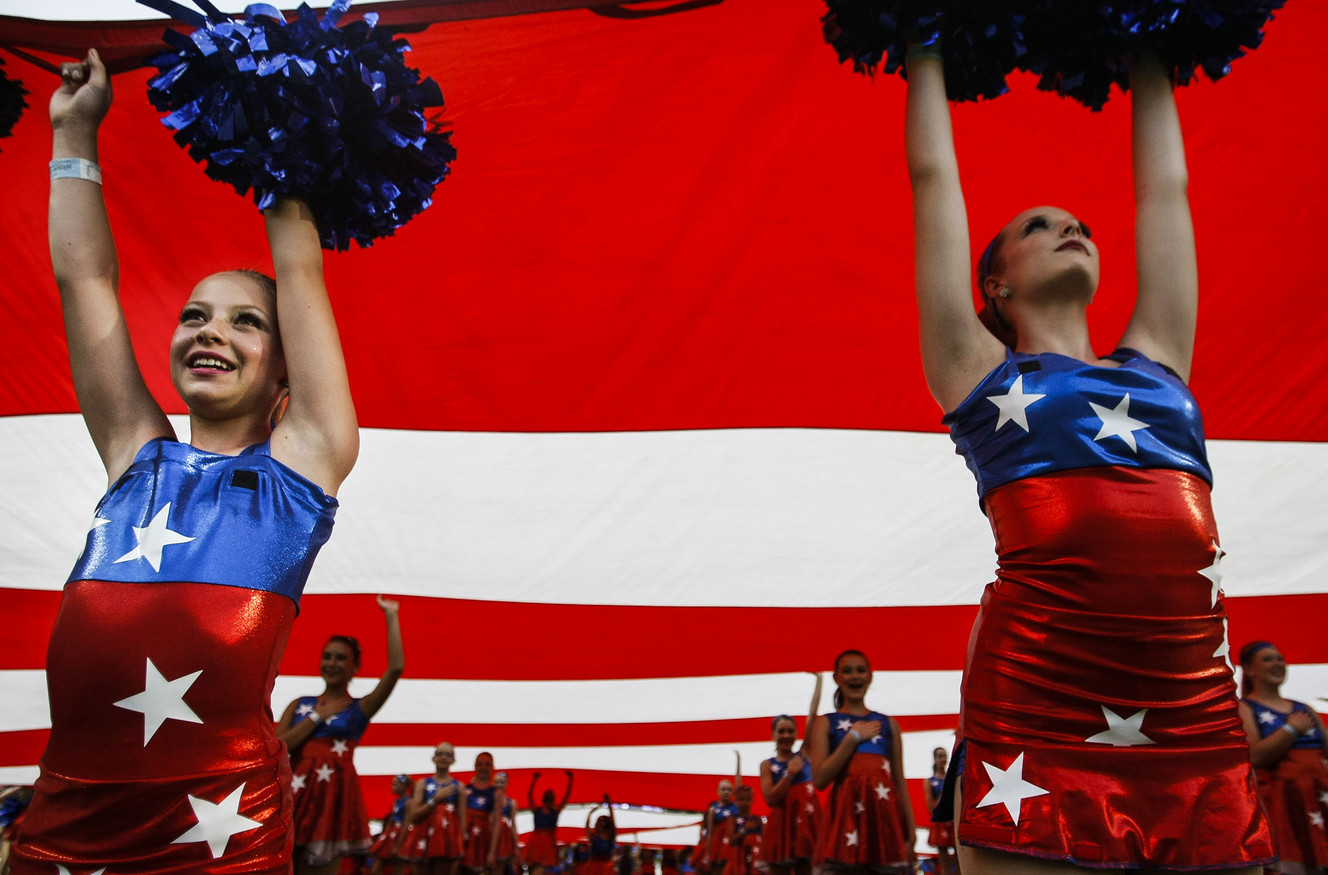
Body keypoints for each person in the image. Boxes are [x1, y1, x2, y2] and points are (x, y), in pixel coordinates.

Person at [903, 34, 1274, 873]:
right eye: (1039, 227)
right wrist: (920, 42)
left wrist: (1158, 42)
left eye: (1079, 224)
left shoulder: (1160, 359)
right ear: (993, 284)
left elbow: (1166, 192)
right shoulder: (973, 367)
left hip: (1192, 705)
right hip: (1040, 698)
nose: (1070, 227)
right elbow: (934, 182)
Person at [12, 48, 359, 874]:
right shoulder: (138, 455)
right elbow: (85, 283)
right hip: (65, 823)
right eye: (195, 315)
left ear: (286, 368)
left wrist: (276, 113)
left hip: (217, 836)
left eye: (247, 322)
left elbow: (298, 264)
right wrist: (74, 136)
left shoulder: (304, 465)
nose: (210, 330)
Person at [278, 596, 406, 873]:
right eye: (327, 656)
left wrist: (391, 616)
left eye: (340, 658)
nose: (332, 663)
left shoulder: (359, 708)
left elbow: (395, 669)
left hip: (333, 802)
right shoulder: (300, 703)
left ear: (354, 667)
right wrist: (317, 717)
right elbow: (280, 745)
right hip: (295, 795)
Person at [809, 650, 914, 874]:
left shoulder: (888, 724)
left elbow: (899, 781)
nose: (854, 676)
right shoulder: (825, 723)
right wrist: (852, 740)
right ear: (836, 678)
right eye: (847, 671)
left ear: (870, 676)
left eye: (860, 670)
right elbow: (819, 779)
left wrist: (911, 831)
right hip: (844, 825)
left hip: (884, 824)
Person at [1238, 641, 1328, 874]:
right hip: (1281, 804)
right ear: (1249, 669)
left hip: (1320, 799)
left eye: (1280, 659)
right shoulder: (1245, 708)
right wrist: (1291, 730)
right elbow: (1254, 757)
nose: (1278, 664)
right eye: (1268, 659)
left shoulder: (1304, 709)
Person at [759, 673, 823, 875]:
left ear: (796, 734)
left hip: (807, 825)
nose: (786, 735)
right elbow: (770, 799)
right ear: (773, 735)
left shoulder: (804, 754)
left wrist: (819, 680)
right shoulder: (767, 765)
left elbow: (813, 717)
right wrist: (789, 774)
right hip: (781, 829)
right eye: (781, 731)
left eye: (790, 731)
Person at [405, 742, 468, 875]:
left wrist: (460, 847)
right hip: (422, 839)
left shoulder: (459, 787)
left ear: (453, 760)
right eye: (440, 754)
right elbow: (413, 816)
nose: (443, 758)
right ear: (433, 758)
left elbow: (462, 821)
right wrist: (436, 799)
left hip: (446, 842)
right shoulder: (422, 783)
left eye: (448, 755)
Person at [698, 754, 742, 875]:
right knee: (718, 870)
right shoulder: (713, 808)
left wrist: (739, 761)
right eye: (723, 789)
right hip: (717, 845)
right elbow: (710, 830)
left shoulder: (735, 805)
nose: (726, 792)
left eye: (729, 789)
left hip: (732, 841)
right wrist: (707, 853)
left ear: (733, 792)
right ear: (718, 791)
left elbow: (738, 783)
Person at [527, 770, 575, 875]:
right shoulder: (538, 811)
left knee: (542, 868)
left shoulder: (554, 812)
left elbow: (566, 798)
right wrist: (534, 780)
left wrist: (571, 780)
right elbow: (529, 797)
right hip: (538, 842)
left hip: (547, 843)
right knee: (536, 867)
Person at [370, 775, 415, 875]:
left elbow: (406, 824)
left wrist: (399, 845)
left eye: (395, 784)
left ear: (404, 786)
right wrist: (383, 837)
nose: (392, 787)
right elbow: (390, 821)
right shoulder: (396, 802)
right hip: (390, 833)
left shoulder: (409, 802)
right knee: (378, 862)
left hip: (399, 834)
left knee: (398, 865)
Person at [923, 748, 957, 875]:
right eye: (940, 756)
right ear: (935, 759)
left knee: (959, 861)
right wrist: (945, 791)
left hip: (953, 822)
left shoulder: (953, 778)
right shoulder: (929, 782)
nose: (943, 759)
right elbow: (930, 807)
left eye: (945, 756)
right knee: (945, 866)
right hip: (939, 823)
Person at [464, 752, 498, 874]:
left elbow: (496, 824)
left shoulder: (496, 793)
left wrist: (492, 852)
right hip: (465, 838)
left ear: (492, 767)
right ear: (475, 766)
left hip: (482, 840)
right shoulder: (465, 789)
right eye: (480, 764)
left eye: (487, 764)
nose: (483, 767)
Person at [726, 786, 762, 875]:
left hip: (754, 857)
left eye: (748, 799)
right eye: (741, 799)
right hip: (738, 857)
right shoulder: (733, 818)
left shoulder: (757, 819)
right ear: (736, 801)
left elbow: (764, 840)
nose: (745, 802)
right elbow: (732, 841)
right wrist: (744, 830)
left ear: (752, 801)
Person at [489, 772, 520, 874]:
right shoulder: (489, 801)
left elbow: (514, 825)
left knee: (500, 869)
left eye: (502, 782)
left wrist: (516, 846)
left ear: (506, 784)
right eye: (496, 782)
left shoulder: (511, 803)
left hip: (504, 839)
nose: (499, 785)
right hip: (489, 834)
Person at [581, 795, 618, 875]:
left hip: (600, 868)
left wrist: (609, 805)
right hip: (599, 868)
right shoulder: (599, 837)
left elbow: (612, 820)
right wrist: (590, 813)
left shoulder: (610, 836)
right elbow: (587, 826)